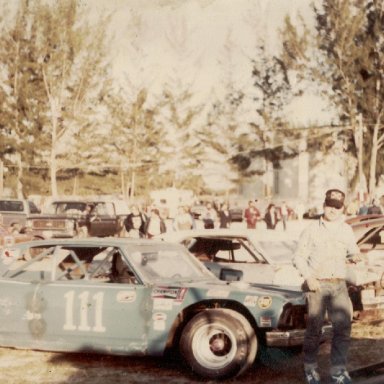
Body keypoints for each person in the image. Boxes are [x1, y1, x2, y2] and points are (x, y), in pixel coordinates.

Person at [293, 189, 361, 384]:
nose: (333, 210)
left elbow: (352, 250)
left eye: (337, 207)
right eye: (330, 205)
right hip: (317, 286)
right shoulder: (311, 229)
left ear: (342, 209)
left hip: (339, 285)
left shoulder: (346, 229)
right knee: (314, 329)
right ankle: (310, 369)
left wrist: (355, 256)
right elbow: (298, 257)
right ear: (324, 205)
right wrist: (308, 277)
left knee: (343, 328)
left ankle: (338, 371)